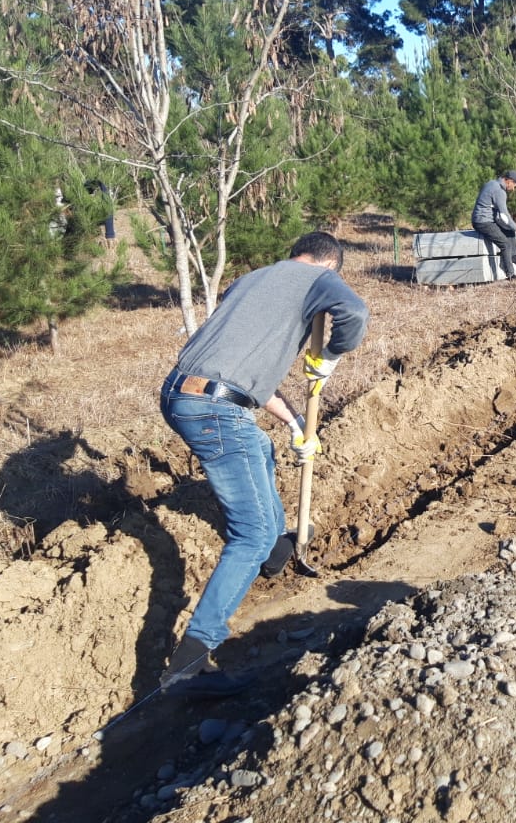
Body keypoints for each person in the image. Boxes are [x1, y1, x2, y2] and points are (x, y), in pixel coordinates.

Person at [158, 231, 368, 696]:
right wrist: (330, 356)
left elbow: (241, 378)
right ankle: (188, 665)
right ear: (327, 264)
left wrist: (297, 424)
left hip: (182, 393)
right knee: (248, 533)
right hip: (215, 409)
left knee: (260, 448)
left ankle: (277, 553)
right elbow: (354, 313)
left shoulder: (252, 281)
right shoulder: (317, 277)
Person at [471, 169, 516, 280]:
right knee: (505, 244)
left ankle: (513, 256)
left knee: (509, 230)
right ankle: (510, 274)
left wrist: (511, 227)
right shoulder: (499, 191)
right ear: (509, 181)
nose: (513, 189)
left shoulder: (492, 183)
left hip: (483, 219)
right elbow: (504, 214)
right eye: (515, 185)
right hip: (483, 222)